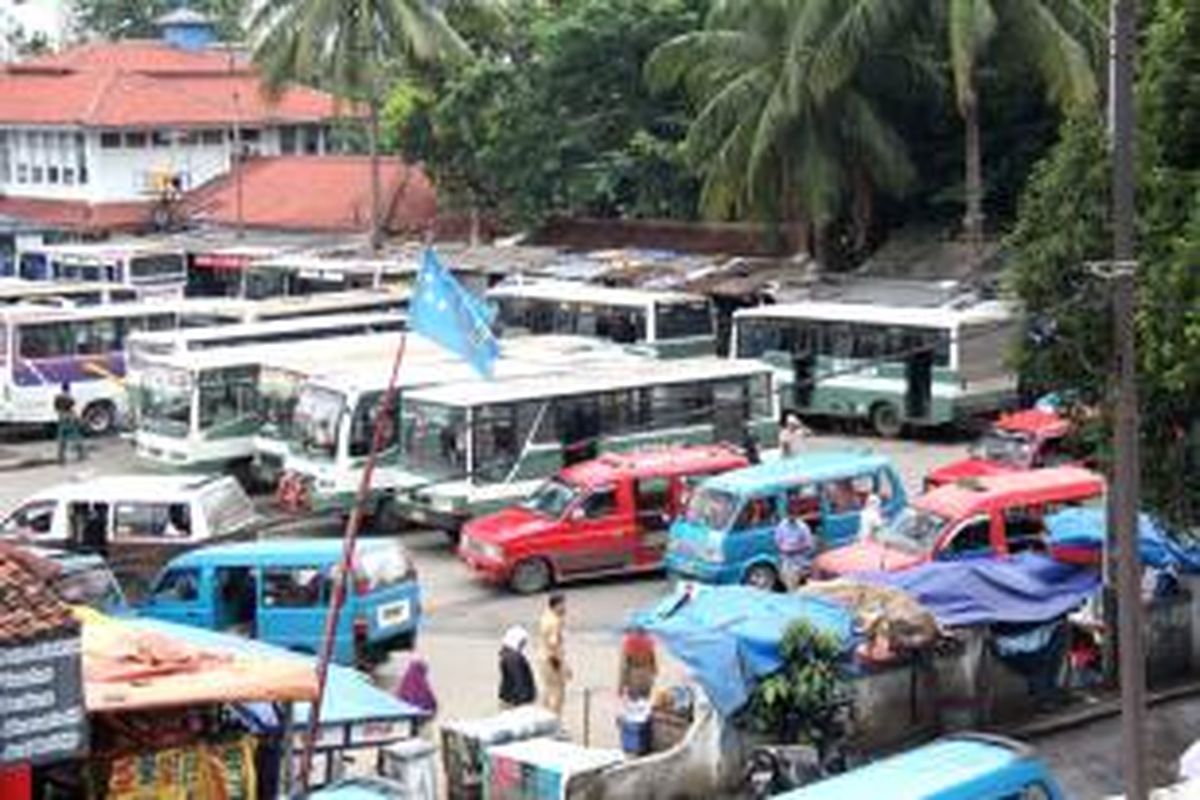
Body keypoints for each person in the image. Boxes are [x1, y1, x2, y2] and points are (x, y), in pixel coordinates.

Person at [537, 592, 571, 717]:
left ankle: (544, 719)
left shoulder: (547, 615)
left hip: (542, 657)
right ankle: (554, 723)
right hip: (552, 661)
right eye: (562, 604)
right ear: (556, 605)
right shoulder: (554, 622)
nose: (565, 607)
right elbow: (554, 646)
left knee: (548, 690)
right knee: (558, 694)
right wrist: (564, 667)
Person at [774, 509, 815, 591]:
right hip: (786, 559)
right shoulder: (782, 526)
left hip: (798, 560)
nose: (792, 517)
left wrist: (795, 549)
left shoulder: (803, 527)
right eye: (790, 515)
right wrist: (783, 549)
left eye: (794, 515)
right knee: (786, 580)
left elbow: (808, 544)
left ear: (797, 516)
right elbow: (777, 541)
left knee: (795, 582)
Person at [498, 625, 537, 709]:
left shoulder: (507, 655)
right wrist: (522, 701)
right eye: (522, 642)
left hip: (512, 701)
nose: (523, 645)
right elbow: (518, 680)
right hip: (516, 704)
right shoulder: (513, 658)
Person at [618, 627, 658, 701]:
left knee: (633, 703)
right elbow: (653, 662)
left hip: (634, 675)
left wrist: (621, 687)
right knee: (644, 701)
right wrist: (653, 676)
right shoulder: (650, 642)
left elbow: (624, 666)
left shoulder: (629, 642)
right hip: (646, 673)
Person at [54, 382, 85, 464]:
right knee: (76, 437)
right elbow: (73, 406)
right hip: (70, 418)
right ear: (68, 389)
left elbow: (56, 407)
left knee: (62, 440)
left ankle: (61, 458)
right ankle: (81, 455)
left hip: (61, 418)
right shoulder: (70, 398)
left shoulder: (58, 397)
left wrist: (60, 412)